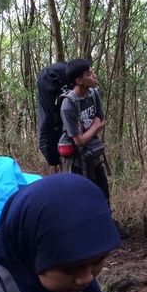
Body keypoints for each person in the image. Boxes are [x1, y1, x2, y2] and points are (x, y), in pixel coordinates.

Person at [57, 59, 110, 202]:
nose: (94, 75)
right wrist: (93, 128)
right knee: (81, 201)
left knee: (104, 196)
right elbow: (79, 141)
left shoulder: (93, 94)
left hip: (94, 156)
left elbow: (102, 120)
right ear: (79, 80)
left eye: (92, 72)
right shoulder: (68, 105)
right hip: (76, 163)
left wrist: (90, 132)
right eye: (89, 74)